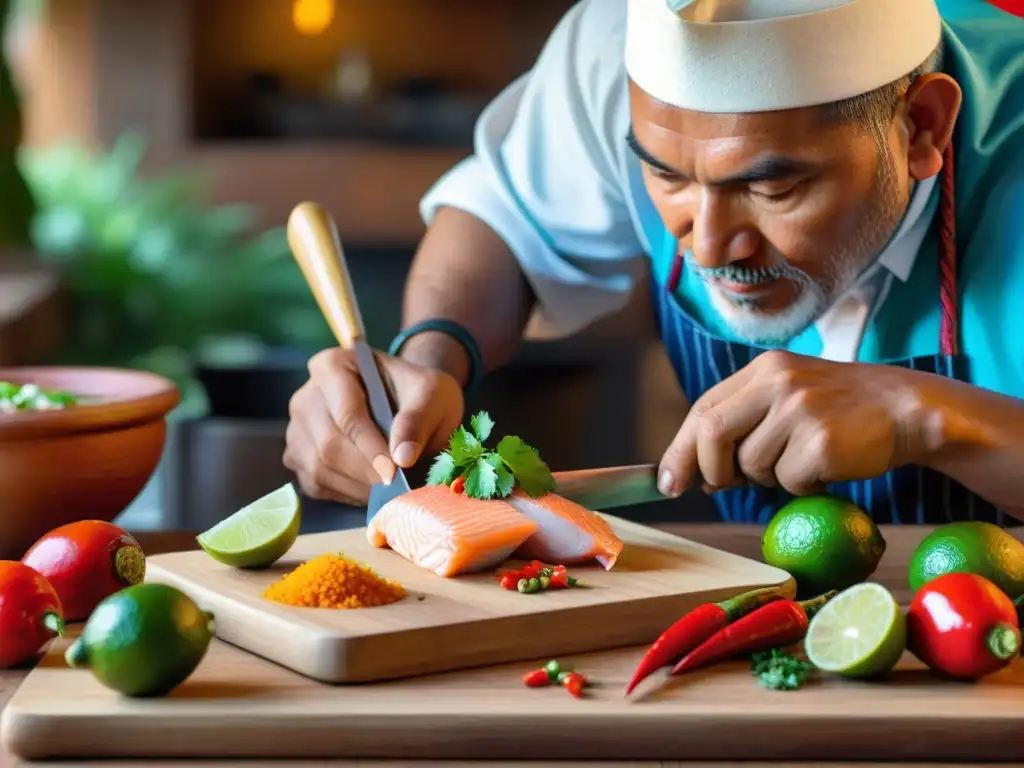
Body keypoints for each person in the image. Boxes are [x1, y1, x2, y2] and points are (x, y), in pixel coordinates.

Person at [284, 0, 1024, 525]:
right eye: (667, 177)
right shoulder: (615, 62)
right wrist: (428, 362)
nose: (705, 246)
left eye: (771, 185)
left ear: (921, 124)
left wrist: (928, 418)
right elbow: (503, 220)